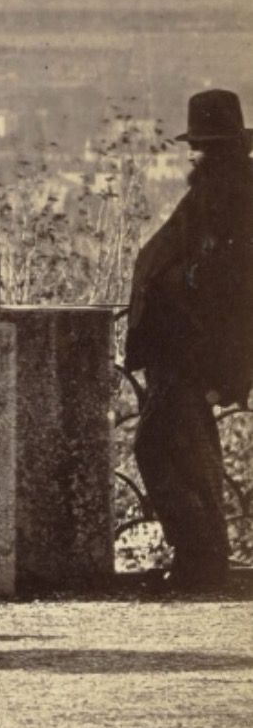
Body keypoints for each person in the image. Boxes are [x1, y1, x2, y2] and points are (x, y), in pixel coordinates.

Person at [124, 89, 253, 593]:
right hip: (184, 354)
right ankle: (202, 564)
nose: (193, 155)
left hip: (188, 354)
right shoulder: (222, 196)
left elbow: (223, 286)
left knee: (159, 448)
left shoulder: (227, 200)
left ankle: (199, 562)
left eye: (201, 145)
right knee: (187, 454)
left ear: (220, 150)